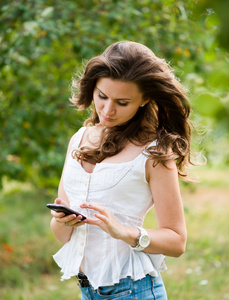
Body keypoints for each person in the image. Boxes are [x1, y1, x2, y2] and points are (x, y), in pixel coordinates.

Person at [50, 41, 192, 299]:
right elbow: (62, 235)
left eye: (122, 102)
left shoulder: (154, 153)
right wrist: (61, 220)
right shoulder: (79, 138)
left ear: (144, 99)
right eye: (102, 96)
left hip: (133, 291)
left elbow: (177, 241)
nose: (107, 110)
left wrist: (125, 233)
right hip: (87, 290)